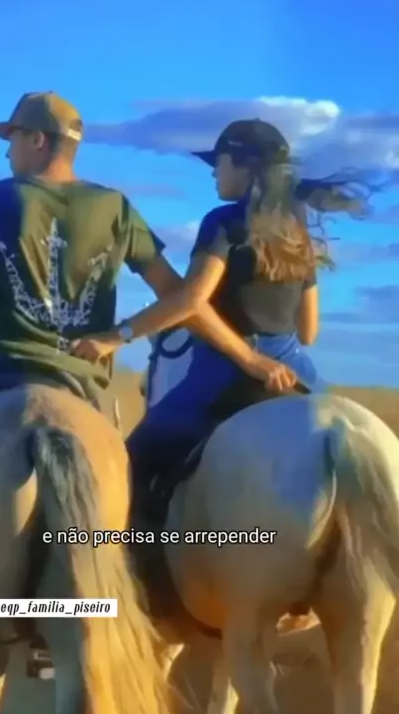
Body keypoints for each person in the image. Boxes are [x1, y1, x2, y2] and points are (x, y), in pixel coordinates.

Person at [0, 96, 296, 443]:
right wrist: (250, 359)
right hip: (81, 376)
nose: (7, 152)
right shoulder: (116, 207)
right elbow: (180, 298)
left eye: (12, 138)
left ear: (37, 140)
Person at [72, 118, 374, 509]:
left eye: (219, 162)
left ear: (244, 166)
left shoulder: (224, 222)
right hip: (294, 371)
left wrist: (115, 337)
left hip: (224, 370)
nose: (214, 172)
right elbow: (309, 331)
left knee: (129, 466)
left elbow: (190, 301)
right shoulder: (297, 232)